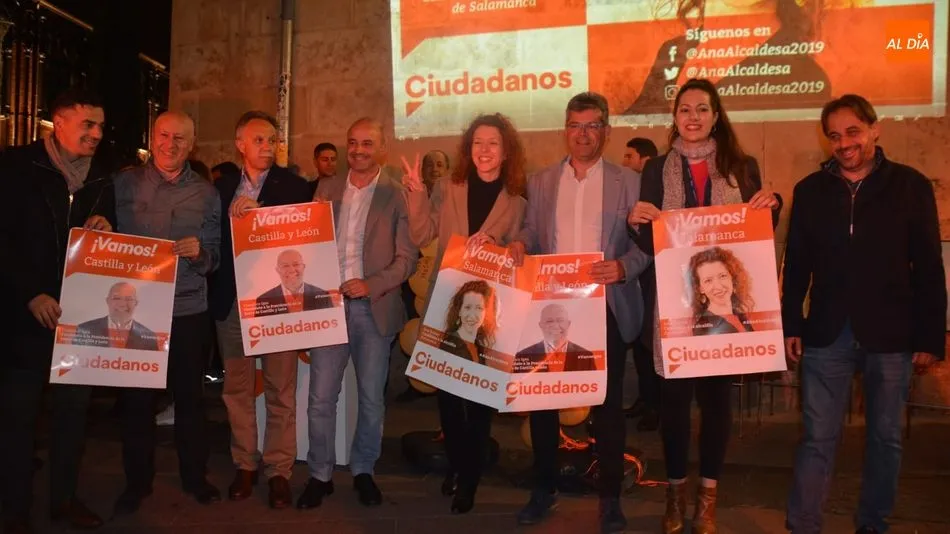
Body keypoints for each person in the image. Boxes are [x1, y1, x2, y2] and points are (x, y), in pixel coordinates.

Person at [782, 94, 946, 534]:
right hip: (825, 333)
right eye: (834, 136)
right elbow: (796, 265)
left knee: (885, 439)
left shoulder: (911, 186)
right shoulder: (809, 191)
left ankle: (873, 524)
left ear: (875, 129)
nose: (844, 143)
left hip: (892, 334)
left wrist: (930, 337)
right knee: (817, 438)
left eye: (852, 131)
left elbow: (929, 266)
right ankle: (803, 526)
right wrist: (791, 324)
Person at [628, 78, 781, 534]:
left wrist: (771, 206)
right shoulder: (657, 169)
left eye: (701, 109)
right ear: (674, 117)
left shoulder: (742, 166)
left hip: (723, 309)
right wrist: (636, 222)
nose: (692, 117)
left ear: (715, 116)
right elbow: (650, 242)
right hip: (676, 307)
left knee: (717, 406)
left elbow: (756, 233)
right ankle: (675, 494)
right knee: (674, 408)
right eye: (684, 109)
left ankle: (707, 499)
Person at [508, 92, 651, 534]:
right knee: (544, 404)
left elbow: (648, 245)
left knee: (607, 408)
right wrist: (520, 243)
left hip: (605, 304)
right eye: (575, 125)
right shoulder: (542, 181)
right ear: (565, 130)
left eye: (592, 125)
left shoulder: (631, 182)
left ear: (606, 131)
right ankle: (543, 489)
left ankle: (610, 498)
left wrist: (623, 267)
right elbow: (532, 233)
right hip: (552, 306)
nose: (583, 134)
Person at [0, 87, 113, 534]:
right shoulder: (16, 166)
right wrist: (31, 293)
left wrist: (106, 228)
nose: (96, 133)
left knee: (72, 415)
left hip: (79, 318)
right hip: (24, 318)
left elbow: (108, 245)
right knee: (18, 418)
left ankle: (64, 500)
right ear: (58, 122)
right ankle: (15, 508)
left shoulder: (101, 179)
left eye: (100, 126)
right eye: (88, 124)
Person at [401, 112, 527, 513]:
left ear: (505, 152)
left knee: (480, 401)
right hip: (448, 307)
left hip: (490, 315)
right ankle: (458, 465)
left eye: (493, 143)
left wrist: (508, 246)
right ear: (468, 149)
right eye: (477, 143)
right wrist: (416, 194)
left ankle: (468, 479)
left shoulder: (517, 200)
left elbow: (524, 248)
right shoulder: (448, 188)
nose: (484, 150)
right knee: (449, 399)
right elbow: (422, 234)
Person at [297, 117, 417, 510]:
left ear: (382, 148)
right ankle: (320, 474)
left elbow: (407, 259)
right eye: (353, 143)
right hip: (328, 308)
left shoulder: (396, 194)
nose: (358, 150)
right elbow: (305, 242)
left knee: (371, 398)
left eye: (367, 143)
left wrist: (373, 283)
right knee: (320, 398)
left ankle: (364, 469)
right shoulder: (326, 189)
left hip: (373, 308)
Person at [111, 110, 222, 515]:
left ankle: (195, 477)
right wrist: (98, 226)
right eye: (163, 135)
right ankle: (136, 483)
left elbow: (215, 258)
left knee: (190, 400)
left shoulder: (207, 194)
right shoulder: (123, 184)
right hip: (137, 311)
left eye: (179, 138)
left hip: (188, 309)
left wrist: (201, 254)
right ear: (152, 136)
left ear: (192, 145)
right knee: (137, 402)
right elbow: (101, 239)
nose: (169, 144)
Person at [208, 111, 313, 509]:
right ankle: (244, 464)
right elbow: (210, 242)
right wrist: (232, 217)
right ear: (240, 144)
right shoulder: (220, 190)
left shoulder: (296, 186)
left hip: (278, 306)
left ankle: (279, 471)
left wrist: (263, 215)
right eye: (259, 140)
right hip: (232, 303)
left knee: (280, 390)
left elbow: (306, 240)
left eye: (272, 140)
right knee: (236, 389)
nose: (268, 147)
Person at [623, 135, 663, 430]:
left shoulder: (659, 190)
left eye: (629, 156)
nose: (624, 162)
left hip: (657, 282)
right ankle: (645, 399)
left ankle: (656, 408)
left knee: (652, 349)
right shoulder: (631, 190)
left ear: (645, 160)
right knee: (640, 347)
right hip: (637, 283)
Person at [687, 246, 755, 336]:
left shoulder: (740, 316)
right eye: (708, 280)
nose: (718, 286)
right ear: (700, 288)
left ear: (732, 278)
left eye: (722, 276)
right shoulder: (703, 328)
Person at [73, 282, 161, 350]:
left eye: (129, 299)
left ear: (136, 303)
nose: (122, 304)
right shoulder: (84, 329)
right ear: (107, 301)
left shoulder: (149, 337)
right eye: (116, 298)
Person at [513, 303, 598, 373]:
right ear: (541, 325)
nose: (555, 326)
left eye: (560, 320)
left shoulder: (586, 356)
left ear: (568, 324)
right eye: (549, 321)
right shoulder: (523, 356)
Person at [438, 280, 503, 370]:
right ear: (459, 311)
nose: (472, 315)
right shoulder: (449, 345)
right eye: (467, 307)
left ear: (485, 314)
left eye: (479, 308)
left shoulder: (478, 346)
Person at [253, 249, 333, 317]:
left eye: (296, 264)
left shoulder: (323, 296)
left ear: (303, 267)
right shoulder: (264, 301)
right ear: (278, 270)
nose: (291, 270)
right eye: (285, 266)